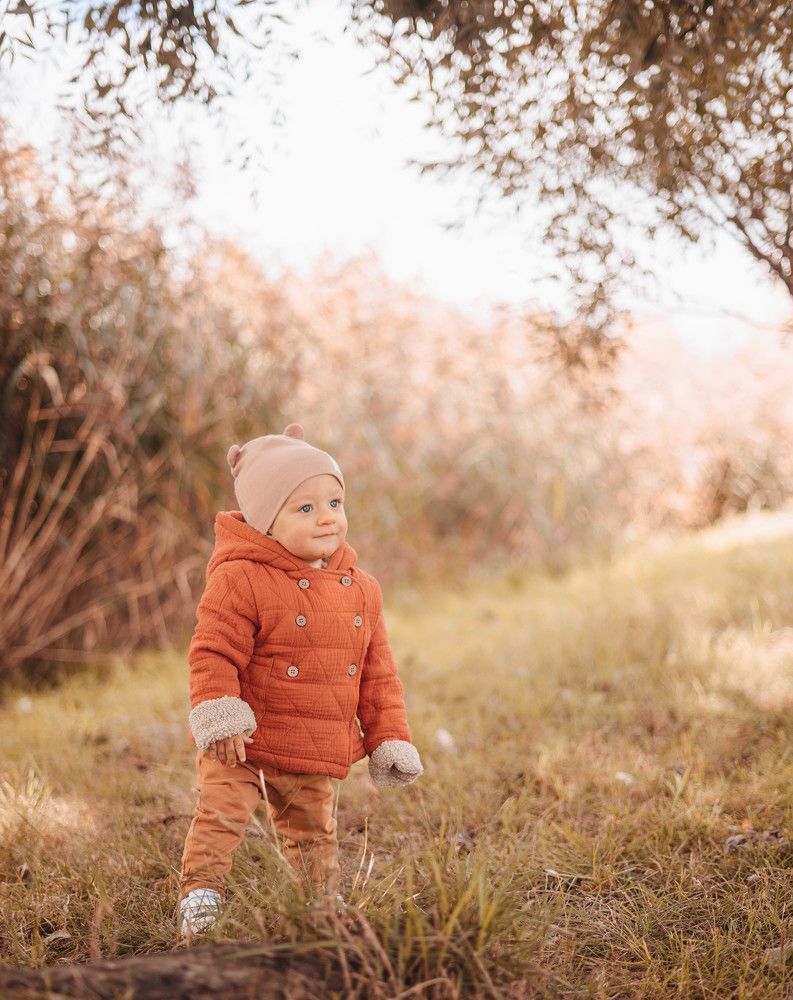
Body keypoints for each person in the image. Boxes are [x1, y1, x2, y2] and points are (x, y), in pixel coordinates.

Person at [177, 423, 424, 938]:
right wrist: (220, 713)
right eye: (305, 508)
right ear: (267, 522)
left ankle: (319, 908)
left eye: (334, 501)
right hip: (241, 742)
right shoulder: (241, 577)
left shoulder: (362, 590)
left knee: (314, 835)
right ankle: (200, 897)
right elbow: (213, 650)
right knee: (220, 819)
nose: (327, 517)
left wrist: (389, 737)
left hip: (311, 742)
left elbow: (378, 674)